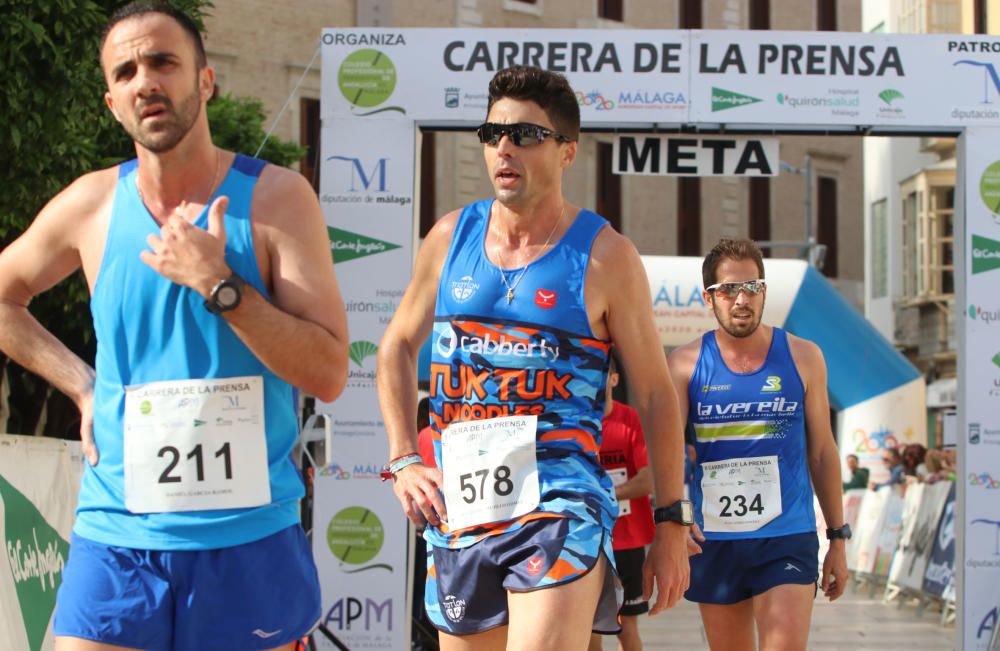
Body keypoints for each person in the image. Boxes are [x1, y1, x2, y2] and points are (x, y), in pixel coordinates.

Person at [0, 3, 349, 650]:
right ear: (112, 103)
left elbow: (328, 372)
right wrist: (80, 384)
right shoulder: (92, 204)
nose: (146, 81)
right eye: (126, 70)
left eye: (163, 62)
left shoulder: (276, 199)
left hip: (247, 538)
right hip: (117, 533)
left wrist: (222, 286)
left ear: (206, 80)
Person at [376, 65, 693, 651]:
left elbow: (652, 393)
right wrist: (402, 458)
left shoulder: (606, 256)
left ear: (567, 151)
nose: (503, 147)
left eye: (523, 135)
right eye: (492, 133)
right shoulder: (450, 238)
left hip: (560, 497)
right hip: (464, 501)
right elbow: (395, 346)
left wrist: (672, 522)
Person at [668, 238, 849, 651]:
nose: (741, 299)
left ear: (764, 291)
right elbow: (670, 452)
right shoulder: (684, 363)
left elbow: (822, 451)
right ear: (709, 298)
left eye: (751, 287)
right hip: (715, 538)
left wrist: (838, 537)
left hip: (786, 535)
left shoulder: (804, 356)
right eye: (728, 289)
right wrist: (673, 521)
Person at [587, 357, 667, 651]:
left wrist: (603, 494)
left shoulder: (631, 420)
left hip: (628, 542)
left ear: (615, 380)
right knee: (587, 627)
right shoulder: (576, 424)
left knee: (626, 629)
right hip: (586, 540)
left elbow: (649, 481)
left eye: (602, 373)